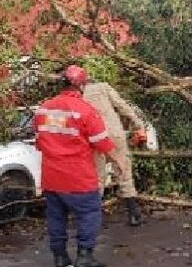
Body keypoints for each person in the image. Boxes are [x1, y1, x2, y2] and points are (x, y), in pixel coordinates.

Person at [33, 64, 126, 267]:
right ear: (82, 86)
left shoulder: (43, 109)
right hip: (78, 178)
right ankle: (84, 256)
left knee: (56, 218)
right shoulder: (86, 111)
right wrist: (118, 161)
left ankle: (60, 257)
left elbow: (40, 143)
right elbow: (102, 143)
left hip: (51, 178)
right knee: (89, 214)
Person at [84, 80, 157, 226]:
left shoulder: (78, 94)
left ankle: (91, 219)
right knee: (124, 172)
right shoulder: (103, 87)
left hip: (93, 136)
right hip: (114, 134)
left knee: (97, 177)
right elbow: (121, 105)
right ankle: (134, 215)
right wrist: (138, 124)